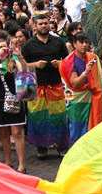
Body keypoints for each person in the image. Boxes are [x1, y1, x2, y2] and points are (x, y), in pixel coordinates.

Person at [22, 15, 70, 158]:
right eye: (41, 24)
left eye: (46, 23)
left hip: (56, 85)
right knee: (38, 117)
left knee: (59, 116)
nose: (44, 26)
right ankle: (41, 147)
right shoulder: (29, 45)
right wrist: (34, 65)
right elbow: (21, 66)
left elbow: (67, 61)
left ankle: (61, 146)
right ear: (35, 26)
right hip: (36, 88)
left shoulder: (58, 42)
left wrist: (60, 63)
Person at [0, 37, 28, 172]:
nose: (3, 50)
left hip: (14, 101)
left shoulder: (14, 62)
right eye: (0, 47)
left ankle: (22, 164)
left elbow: (25, 72)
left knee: (17, 133)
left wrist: (20, 56)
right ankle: (8, 162)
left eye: (5, 47)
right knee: (4, 133)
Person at [59, 32, 102, 144]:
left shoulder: (92, 58)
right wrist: (86, 72)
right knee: (77, 130)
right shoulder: (69, 62)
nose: (84, 45)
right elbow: (75, 84)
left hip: (92, 99)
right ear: (74, 44)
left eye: (86, 42)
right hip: (77, 102)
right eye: (81, 42)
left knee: (91, 131)